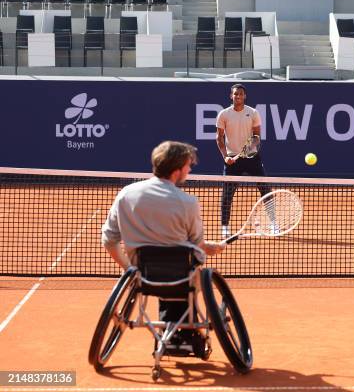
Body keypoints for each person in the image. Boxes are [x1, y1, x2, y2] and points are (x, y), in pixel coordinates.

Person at [101, 140, 225, 356]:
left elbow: (109, 240)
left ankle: (174, 334)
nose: (189, 169)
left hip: (142, 278)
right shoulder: (188, 203)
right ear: (177, 171)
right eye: (188, 165)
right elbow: (196, 247)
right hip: (182, 282)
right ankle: (183, 333)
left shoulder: (126, 194)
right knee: (196, 269)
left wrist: (129, 269)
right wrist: (209, 248)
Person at [216, 83, 271, 238]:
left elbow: (256, 137)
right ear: (231, 96)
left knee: (265, 189)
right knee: (227, 194)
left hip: (252, 157)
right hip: (231, 159)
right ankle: (225, 228)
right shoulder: (224, 114)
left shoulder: (253, 113)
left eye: (240, 94)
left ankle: (273, 223)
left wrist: (247, 151)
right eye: (235, 94)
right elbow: (219, 138)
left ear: (244, 96)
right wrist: (226, 156)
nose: (238, 96)